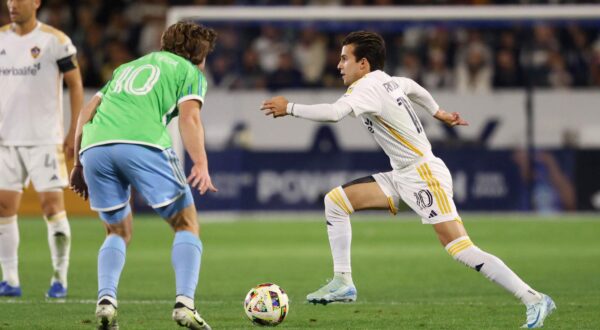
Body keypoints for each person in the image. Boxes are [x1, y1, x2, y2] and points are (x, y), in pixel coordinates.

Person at [260, 31, 556, 329]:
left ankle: (533, 298)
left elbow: (336, 113)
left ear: (363, 63)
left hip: (423, 175)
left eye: (344, 58)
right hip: (402, 174)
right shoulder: (386, 80)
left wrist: (291, 108)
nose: (339, 65)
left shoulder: (365, 88)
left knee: (460, 248)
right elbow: (412, 86)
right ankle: (343, 282)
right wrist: (437, 111)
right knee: (335, 202)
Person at [69, 21, 217, 330]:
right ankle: (184, 305)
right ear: (198, 56)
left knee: (116, 231)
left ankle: (106, 302)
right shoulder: (190, 73)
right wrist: (200, 163)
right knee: (186, 223)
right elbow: (189, 118)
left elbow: (87, 112)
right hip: (143, 143)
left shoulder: (127, 67)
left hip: (95, 147)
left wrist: (77, 163)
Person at [0, 0, 83, 299]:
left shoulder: (55, 41)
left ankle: (59, 278)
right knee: (4, 208)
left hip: (45, 139)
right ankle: (10, 280)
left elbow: (75, 84)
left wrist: (74, 128)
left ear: (35, 3)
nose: (12, 4)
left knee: (52, 207)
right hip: (5, 140)